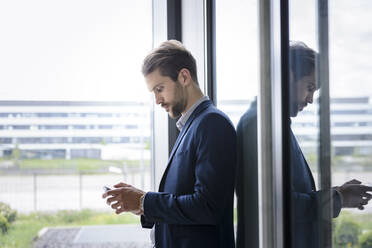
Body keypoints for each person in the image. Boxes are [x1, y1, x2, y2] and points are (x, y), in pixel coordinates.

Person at [235, 41, 372, 248]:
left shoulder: (272, 123)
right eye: (309, 88)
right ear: (287, 76)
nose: (310, 100)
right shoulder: (259, 124)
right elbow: (278, 204)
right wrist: (339, 198)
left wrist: (339, 192)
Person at [102, 40, 237, 248]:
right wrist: (142, 205)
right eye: (154, 92)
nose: (157, 100)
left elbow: (208, 206)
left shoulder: (212, 123)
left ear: (184, 77)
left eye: (160, 89)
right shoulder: (193, 124)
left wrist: (145, 201)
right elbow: (185, 200)